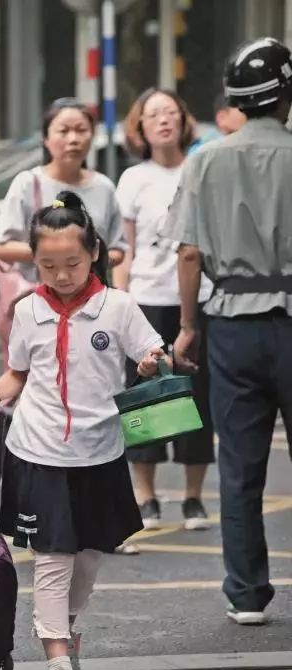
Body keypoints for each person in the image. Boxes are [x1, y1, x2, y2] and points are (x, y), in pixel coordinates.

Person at [0, 191, 162, 670]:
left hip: (101, 450)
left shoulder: (117, 307)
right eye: (47, 264)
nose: (59, 274)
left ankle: (66, 635)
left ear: (94, 251)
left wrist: (150, 363)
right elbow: (17, 373)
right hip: (38, 449)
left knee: (90, 557)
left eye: (71, 263)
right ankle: (56, 666)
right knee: (53, 558)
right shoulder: (27, 309)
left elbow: (149, 354)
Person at [171, 37, 292, 627]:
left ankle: (246, 592)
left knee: (241, 467)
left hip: (233, 328)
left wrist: (188, 326)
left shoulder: (206, 159)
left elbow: (190, 253)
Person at [117, 88, 214, 537]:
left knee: (197, 395)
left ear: (183, 120)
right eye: (153, 114)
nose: (162, 121)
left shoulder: (201, 169)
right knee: (148, 397)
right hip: (147, 297)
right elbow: (125, 248)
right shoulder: (133, 179)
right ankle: (145, 495)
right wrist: (122, 302)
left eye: (171, 112)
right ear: (140, 126)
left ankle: (193, 496)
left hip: (196, 297)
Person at [0, 98, 127, 367]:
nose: (73, 139)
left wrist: (89, 259)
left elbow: (120, 248)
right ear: (46, 138)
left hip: (91, 308)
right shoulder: (28, 183)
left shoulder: (104, 187)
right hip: (39, 306)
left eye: (81, 130)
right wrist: (58, 255)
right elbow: (0, 246)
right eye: (63, 131)